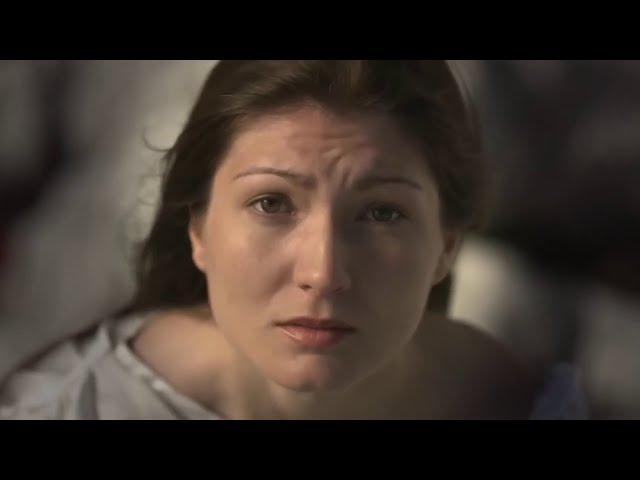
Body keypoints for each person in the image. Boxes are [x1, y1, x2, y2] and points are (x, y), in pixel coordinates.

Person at [0, 60, 589, 419]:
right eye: (271, 203)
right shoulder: (69, 407)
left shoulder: (519, 400)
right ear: (198, 229)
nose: (323, 273)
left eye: (382, 213)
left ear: (447, 246)